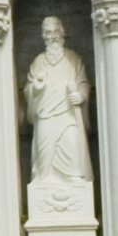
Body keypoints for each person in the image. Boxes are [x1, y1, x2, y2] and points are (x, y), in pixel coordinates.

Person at [23, 15, 94, 199]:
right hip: (46, 115)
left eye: (55, 32)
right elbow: (29, 88)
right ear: (43, 36)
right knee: (44, 151)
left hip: (67, 116)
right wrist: (36, 89)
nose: (52, 36)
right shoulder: (38, 61)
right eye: (48, 32)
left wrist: (81, 95)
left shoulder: (73, 60)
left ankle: (73, 177)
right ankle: (44, 179)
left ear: (62, 34)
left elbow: (83, 83)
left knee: (71, 146)